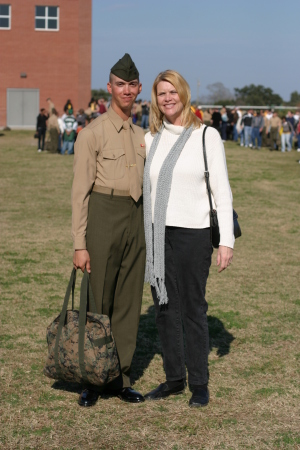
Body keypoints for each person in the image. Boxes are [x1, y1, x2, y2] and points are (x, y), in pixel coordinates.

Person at [143, 70, 234, 408]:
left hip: (193, 235)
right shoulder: (150, 139)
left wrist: (226, 241)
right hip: (157, 235)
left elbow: (221, 191)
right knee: (164, 308)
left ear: (183, 93)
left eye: (172, 91)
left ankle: (199, 382)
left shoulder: (206, 136)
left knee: (193, 309)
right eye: (161, 93)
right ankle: (173, 379)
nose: (167, 98)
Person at [72, 53, 146, 407]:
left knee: (129, 300)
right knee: (98, 300)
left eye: (132, 84)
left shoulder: (144, 135)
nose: (126, 89)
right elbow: (79, 192)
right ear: (110, 88)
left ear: (139, 89)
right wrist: (79, 243)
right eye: (120, 84)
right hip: (104, 213)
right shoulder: (92, 134)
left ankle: (120, 378)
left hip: (136, 217)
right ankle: (92, 379)